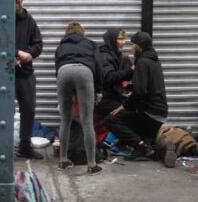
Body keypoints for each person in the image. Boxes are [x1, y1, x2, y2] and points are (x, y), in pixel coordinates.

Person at [105, 32, 168, 160]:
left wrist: (123, 106)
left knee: (111, 119)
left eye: (133, 45)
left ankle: (142, 147)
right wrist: (128, 87)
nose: (131, 48)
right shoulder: (154, 61)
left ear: (140, 46)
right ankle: (156, 151)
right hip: (160, 113)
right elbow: (145, 86)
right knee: (137, 135)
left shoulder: (142, 62)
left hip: (150, 113)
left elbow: (140, 92)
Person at [54, 22, 104, 175]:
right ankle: (91, 164)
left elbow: (57, 66)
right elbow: (99, 66)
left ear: (67, 33)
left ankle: (63, 161)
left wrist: (69, 89)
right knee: (86, 119)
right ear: (82, 33)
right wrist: (99, 90)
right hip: (84, 72)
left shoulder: (61, 46)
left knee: (65, 119)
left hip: (63, 72)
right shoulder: (90, 44)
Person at [15, 0, 44, 159]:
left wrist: (30, 54)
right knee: (4, 110)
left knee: (29, 109)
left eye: (21, 2)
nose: (21, 5)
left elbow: (38, 44)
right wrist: (16, 52)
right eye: (17, 2)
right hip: (5, 74)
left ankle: (24, 146)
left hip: (25, 73)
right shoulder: (1, 20)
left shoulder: (28, 20)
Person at [95, 29, 133, 122]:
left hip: (116, 97)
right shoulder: (105, 56)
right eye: (120, 39)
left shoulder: (117, 56)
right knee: (131, 117)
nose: (123, 42)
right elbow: (109, 78)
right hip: (106, 100)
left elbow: (122, 77)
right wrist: (130, 70)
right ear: (111, 40)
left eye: (124, 39)